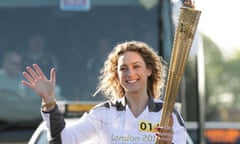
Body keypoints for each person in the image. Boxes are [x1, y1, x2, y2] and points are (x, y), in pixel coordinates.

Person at [22, 41, 186, 143]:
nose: (130, 73)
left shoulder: (168, 115)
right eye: (123, 68)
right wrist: (49, 101)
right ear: (117, 74)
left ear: (149, 70)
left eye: (136, 66)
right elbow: (62, 140)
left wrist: (169, 142)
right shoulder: (103, 114)